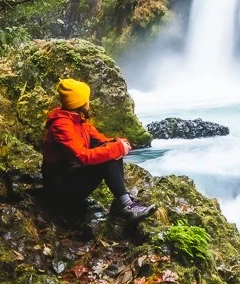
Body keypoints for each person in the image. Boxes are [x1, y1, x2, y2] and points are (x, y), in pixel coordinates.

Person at [42, 79, 155, 221]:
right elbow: (82, 156)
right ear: (80, 103)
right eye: (87, 99)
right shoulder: (62, 125)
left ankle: (121, 204)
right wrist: (116, 148)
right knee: (108, 157)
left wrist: (119, 143)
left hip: (71, 176)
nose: (89, 102)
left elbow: (102, 140)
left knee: (112, 151)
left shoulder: (77, 120)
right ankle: (126, 206)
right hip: (60, 188)